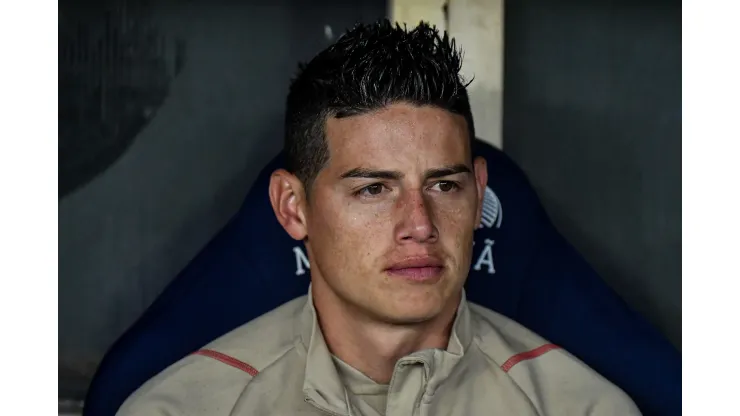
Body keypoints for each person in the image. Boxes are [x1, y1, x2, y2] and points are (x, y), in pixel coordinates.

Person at [117, 20, 641, 416]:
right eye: (373, 188)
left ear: (479, 193)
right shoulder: (183, 409)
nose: (419, 223)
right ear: (292, 207)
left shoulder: (581, 409)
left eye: (444, 185)